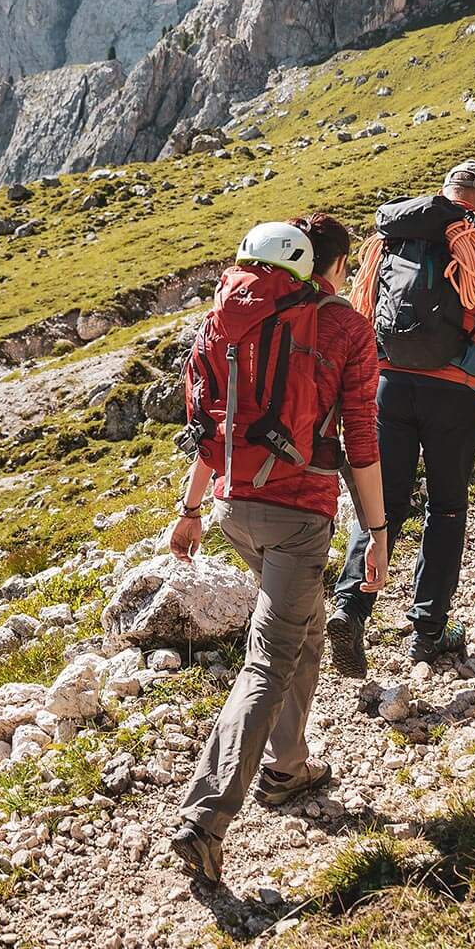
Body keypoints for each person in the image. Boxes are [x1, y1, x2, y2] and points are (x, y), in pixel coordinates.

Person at [167, 215, 388, 887]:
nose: (350, 277)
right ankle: (205, 819)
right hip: (298, 518)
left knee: (305, 627)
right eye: (347, 266)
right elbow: (361, 439)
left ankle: (288, 768)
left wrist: (191, 508)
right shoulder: (346, 327)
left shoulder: (232, 323)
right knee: (268, 659)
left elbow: (213, 426)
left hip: (236, 511)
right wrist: (376, 533)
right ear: (332, 266)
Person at [328, 159, 475, 673]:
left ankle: (350, 606)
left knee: (380, 503)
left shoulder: (395, 236)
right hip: (456, 392)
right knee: (447, 509)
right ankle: (427, 631)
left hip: (388, 385)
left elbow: (364, 307)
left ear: (442, 195)